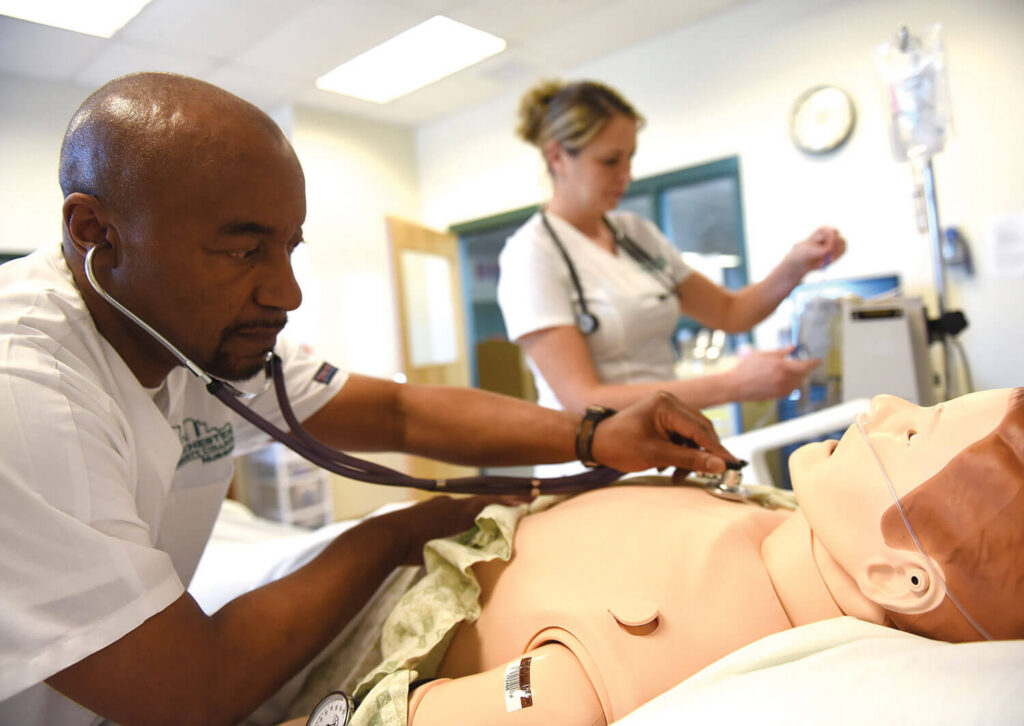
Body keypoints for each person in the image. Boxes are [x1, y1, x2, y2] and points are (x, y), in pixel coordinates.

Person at [0, 72, 742, 726]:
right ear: (97, 232)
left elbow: (399, 413)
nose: (285, 293)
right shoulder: (25, 393)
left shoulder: (192, 330)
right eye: (241, 249)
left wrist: (593, 434)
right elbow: (190, 691)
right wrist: (393, 534)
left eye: (290, 247)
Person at [311, 388, 1022, 725]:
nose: (885, 405)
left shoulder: (649, 648)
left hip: (368, 599)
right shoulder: (791, 525)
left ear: (901, 575)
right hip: (451, 527)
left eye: (910, 435)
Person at [497, 79, 848, 428]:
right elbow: (582, 399)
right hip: (592, 463)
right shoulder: (531, 255)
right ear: (557, 157)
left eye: (630, 158)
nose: (626, 176)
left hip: (663, 441)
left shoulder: (635, 234)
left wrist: (797, 264)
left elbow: (730, 312)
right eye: (610, 161)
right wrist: (733, 384)